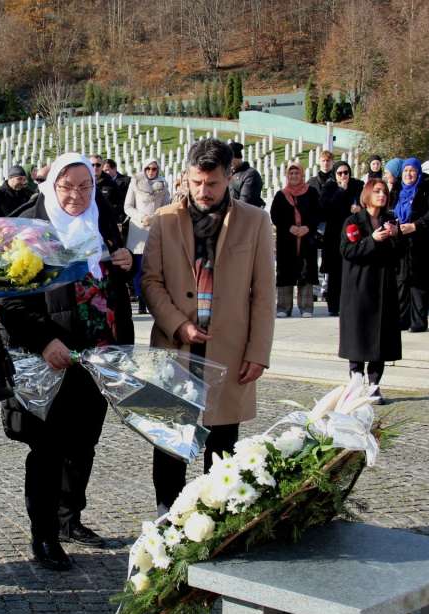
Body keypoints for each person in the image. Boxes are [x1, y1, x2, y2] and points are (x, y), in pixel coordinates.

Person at [0, 153, 134, 571]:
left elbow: (107, 279)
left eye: (85, 186)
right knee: (47, 448)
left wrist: (124, 265)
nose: (76, 195)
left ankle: (68, 518)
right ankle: (43, 534)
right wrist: (44, 341)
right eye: (67, 186)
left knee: (84, 444)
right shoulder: (27, 228)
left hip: (98, 352)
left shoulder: (101, 217)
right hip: (51, 356)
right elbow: (8, 300)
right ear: (51, 185)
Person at [141, 138, 275, 516]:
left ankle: (215, 517)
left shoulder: (255, 221)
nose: (203, 191)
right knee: (170, 440)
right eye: (196, 182)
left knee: (222, 442)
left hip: (228, 347)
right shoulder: (165, 219)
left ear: (229, 177)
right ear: (186, 176)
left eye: (212, 184)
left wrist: (258, 352)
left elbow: (263, 293)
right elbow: (151, 282)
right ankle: (169, 515)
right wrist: (178, 325)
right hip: (175, 345)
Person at [339, 179, 402, 404]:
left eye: (384, 191)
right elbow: (348, 250)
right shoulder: (353, 220)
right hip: (359, 287)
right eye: (376, 191)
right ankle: (355, 381)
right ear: (367, 194)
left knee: (380, 338)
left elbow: (401, 254)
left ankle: (375, 384)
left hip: (384, 287)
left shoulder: (390, 220)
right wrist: (372, 240)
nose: (381, 195)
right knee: (358, 334)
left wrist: (396, 236)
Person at [390, 158, 429, 332]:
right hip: (400, 242)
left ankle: (418, 321)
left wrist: (415, 225)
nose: (408, 174)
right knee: (401, 281)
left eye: (412, 171)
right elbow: (389, 210)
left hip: (420, 242)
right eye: (405, 171)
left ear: (418, 172)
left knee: (418, 283)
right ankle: (402, 320)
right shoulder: (397, 189)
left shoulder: (428, 188)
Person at [271, 161, 321, 318]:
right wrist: (289, 227)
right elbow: (275, 215)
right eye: (291, 173)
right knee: (285, 272)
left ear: (302, 175)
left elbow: (318, 213)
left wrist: (308, 227)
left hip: (307, 240)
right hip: (287, 240)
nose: (294, 176)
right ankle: (284, 307)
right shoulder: (281, 195)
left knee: (306, 272)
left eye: (297, 173)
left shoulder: (311, 192)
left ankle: (306, 307)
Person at [123, 158, 171, 314]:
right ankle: (141, 300)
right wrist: (140, 217)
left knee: (153, 268)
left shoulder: (163, 185)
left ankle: (150, 300)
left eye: (154, 169)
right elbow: (128, 206)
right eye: (148, 168)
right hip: (138, 230)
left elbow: (166, 206)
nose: (151, 171)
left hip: (155, 227)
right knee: (138, 268)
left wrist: (154, 217)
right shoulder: (135, 182)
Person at [321, 161, 364, 316]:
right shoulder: (329, 187)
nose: (344, 176)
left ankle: (352, 304)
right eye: (340, 173)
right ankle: (334, 305)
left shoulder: (358, 185)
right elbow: (325, 208)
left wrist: (360, 208)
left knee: (353, 269)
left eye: (346, 172)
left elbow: (366, 202)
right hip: (334, 235)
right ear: (335, 174)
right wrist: (341, 191)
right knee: (335, 272)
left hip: (353, 233)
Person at [229, 141, 265, 207]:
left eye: (230, 159)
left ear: (238, 158)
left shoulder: (250, 175)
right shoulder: (228, 173)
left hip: (247, 214)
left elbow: (245, 202)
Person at [90, 153, 123, 223]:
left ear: (102, 166)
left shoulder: (111, 183)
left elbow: (119, 204)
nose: (95, 167)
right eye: (92, 165)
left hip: (106, 221)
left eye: (98, 165)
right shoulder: (82, 182)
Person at [103, 158, 130, 227]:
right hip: (105, 218)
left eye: (107, 170)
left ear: (114, 168)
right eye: (103, 171)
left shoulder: (127, 181)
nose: (105, 173)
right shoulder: (101, 182)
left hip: (121, 217)